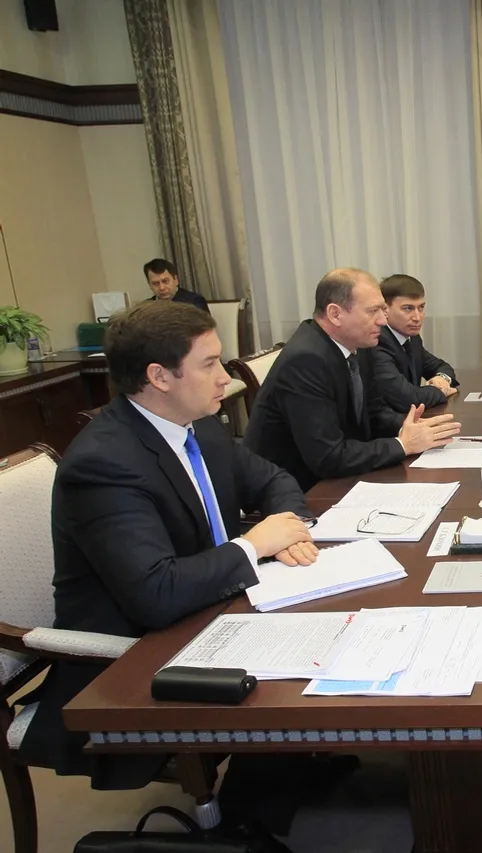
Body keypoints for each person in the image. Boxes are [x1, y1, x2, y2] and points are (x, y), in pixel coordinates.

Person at [22, 301, 317, 790]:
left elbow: (273, 479)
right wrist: (252, 546)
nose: (225, 378)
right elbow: (155, 593)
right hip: (132, 654)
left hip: (211, 605)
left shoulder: (196, 423)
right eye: (209, 364)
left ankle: (299, 772)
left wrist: (290, 530)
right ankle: (257, 805)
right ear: (159, 376)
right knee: (298, 670)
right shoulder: (104, 464)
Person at [244, 268, 461, 491]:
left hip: (339, 474)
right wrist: (402, 445)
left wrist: (412, 428)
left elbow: (375, 412)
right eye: (373, 311)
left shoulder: (359, 344)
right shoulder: (305, 360)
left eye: (382, 310)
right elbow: (328, 457)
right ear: (335, 314)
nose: (382, 320)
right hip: (292, 489)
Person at [372, 273, 459, 412]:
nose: (417, 317)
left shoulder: (412, 339)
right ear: (385, 309)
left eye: (421, 307)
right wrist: (440, 391)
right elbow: (409, 399)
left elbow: (441, 366)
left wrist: (442, 379)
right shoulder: (377, 342)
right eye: (408, 308)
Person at [143, 257, 210, 313]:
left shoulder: (194, 302)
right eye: (156, 283)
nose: (162, 288)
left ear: (176, 280)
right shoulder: (145, 308)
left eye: (165, 281)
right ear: (150, 285)